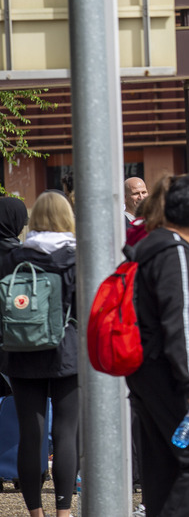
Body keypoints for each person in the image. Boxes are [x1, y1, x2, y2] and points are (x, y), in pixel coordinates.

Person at [127, 176, 189, 517]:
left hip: (147, 369)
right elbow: (180, 324)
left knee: (162, 466)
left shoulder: (152, 244)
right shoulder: (177, 254)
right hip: (168, 373)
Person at [0, 192, 79, 517]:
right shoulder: (76, 257)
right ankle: (64, 511)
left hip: (21, 352)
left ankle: (35, 512)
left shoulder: (14, 255)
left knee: (30, 434)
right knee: (65, 431)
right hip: (66, 352)